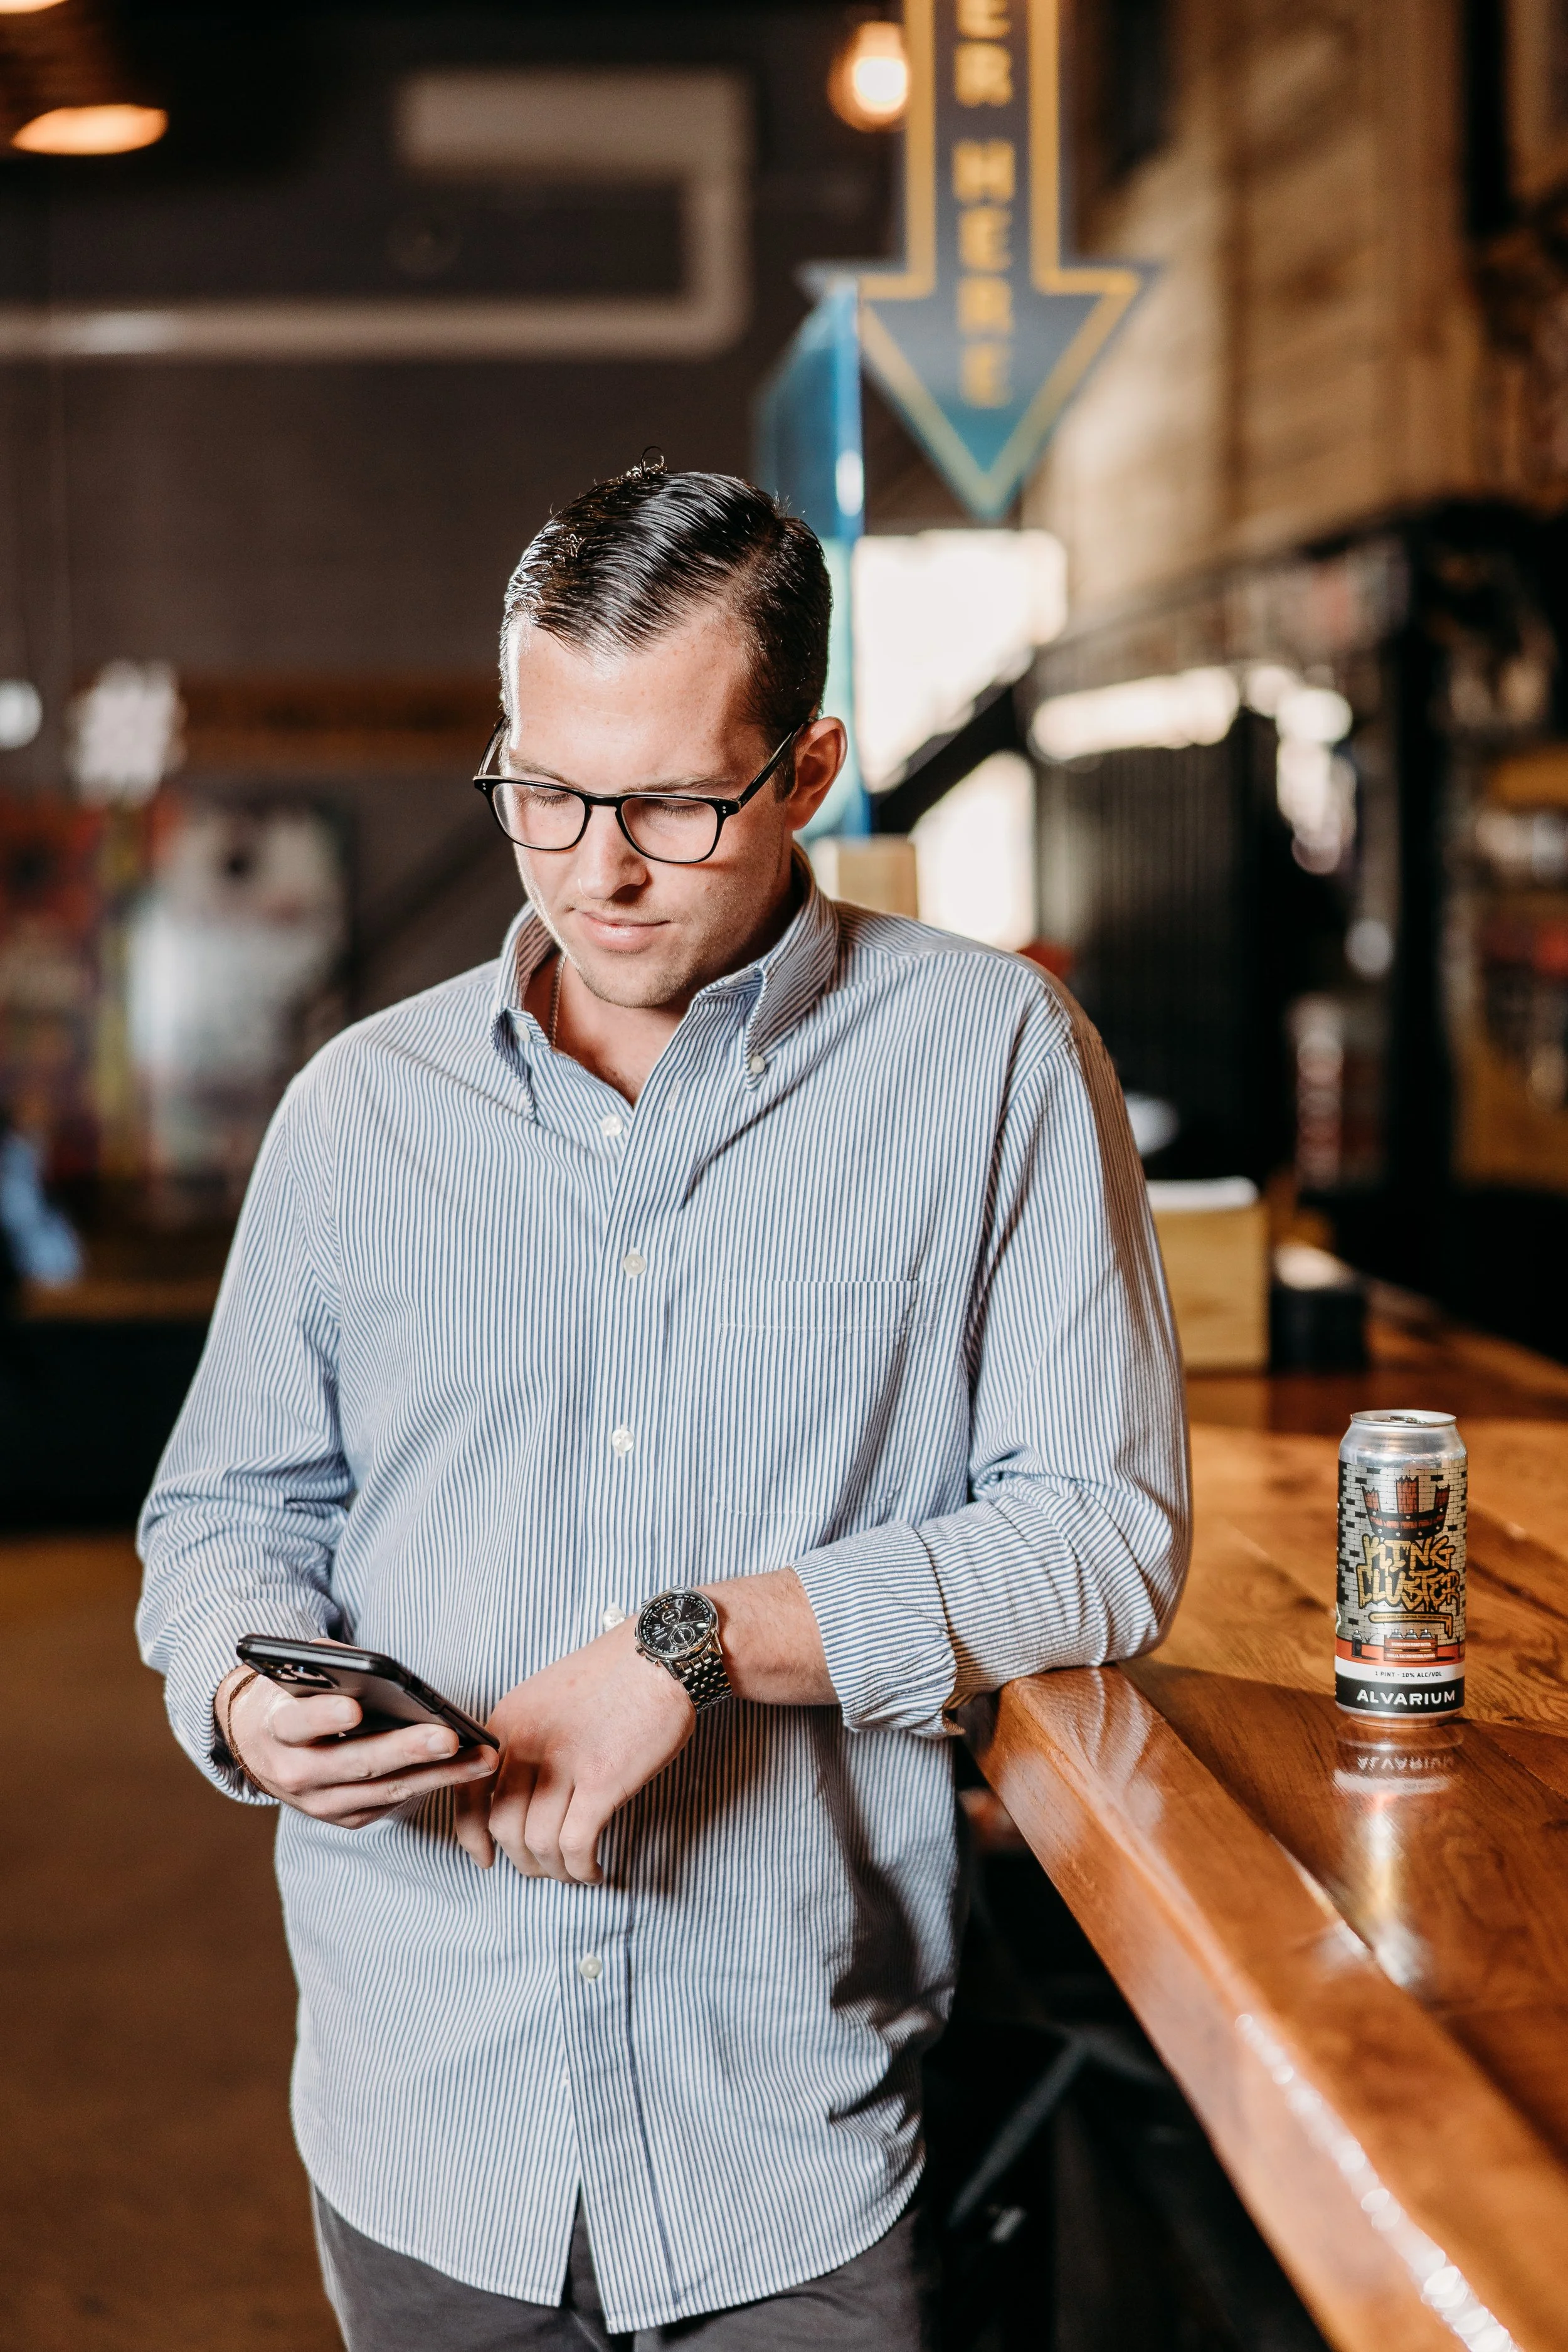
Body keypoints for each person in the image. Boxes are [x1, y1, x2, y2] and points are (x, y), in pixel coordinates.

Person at [137, 462, 1189, 2351]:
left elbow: (1099, 1535)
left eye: (678, 802)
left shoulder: (993, 1062)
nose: (596, 867)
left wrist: (697, 1646)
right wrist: (235, 1682)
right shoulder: (362, 1112)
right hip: (421, 2111)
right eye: (541, 789)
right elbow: (224, 1510)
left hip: (789, 2131)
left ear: (807, 769)